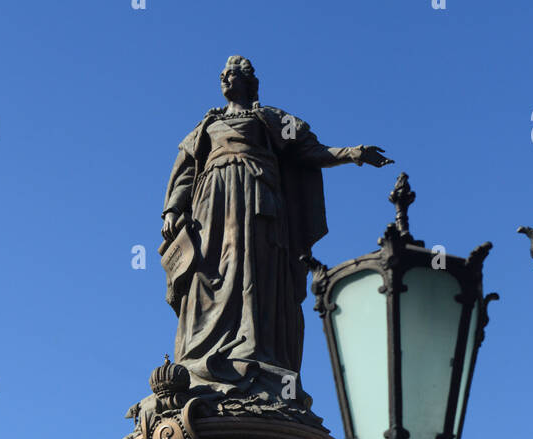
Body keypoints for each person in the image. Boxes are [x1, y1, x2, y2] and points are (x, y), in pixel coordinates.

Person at [160, 54, 391, 410]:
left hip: (255, 200)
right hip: (211, 204)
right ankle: (202, 356)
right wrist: (174, 209)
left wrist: (353, 153)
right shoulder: (207, 124)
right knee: (207, 275)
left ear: (249, 82)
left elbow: (311, 152)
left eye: (233, 73)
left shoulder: (268, 119)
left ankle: (253, 349)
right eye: (222, 74)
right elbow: (187, 170)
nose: (225, 78)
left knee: (252, 269)